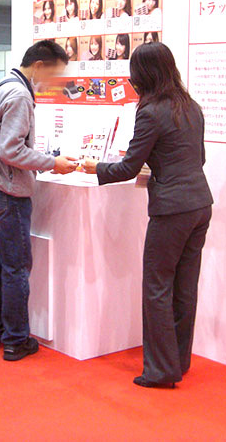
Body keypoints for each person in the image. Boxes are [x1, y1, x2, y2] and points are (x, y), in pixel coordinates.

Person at [84, 42, 213, 388]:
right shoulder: (191, 106)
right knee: (185, 287)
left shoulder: (151, 111)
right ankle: (178, 360)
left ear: (142, 74)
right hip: (200, 204)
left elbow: (128, 167)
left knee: (157, 286)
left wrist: (96, 167)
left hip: (171, 209)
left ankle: (160, 370)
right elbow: (198, 159)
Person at [0, 40, 78, 361]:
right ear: (38, 67)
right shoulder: (20, 95)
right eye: (53, 74)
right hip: (8, 192)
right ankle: (16, 339)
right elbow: (11, 150)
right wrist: (52, 163)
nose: (53, 82)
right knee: (16, 266)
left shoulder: (2, 86)